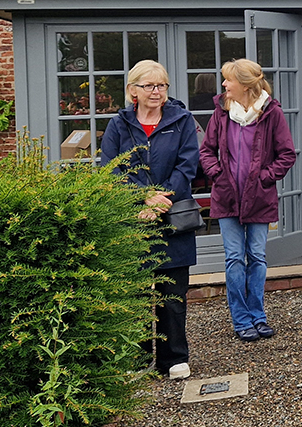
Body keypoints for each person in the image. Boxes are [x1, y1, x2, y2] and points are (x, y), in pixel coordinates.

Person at [99, 60, 200, 381]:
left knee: (172, 295)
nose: (156, 92)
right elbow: (111, 168)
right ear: (133, 91)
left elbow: (187, 167)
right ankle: (137, 358)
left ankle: (174, 359)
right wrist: (143, 197)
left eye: (162, 86)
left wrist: (160, 198)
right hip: (134, 218)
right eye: (149, 86)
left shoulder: (182, 121)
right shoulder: (118, 125)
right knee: (137, 294)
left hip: (173, 220)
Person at [199, 58, 297, 342]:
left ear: (244, 84)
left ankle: (258, 316)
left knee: (256, 257)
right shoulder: (220, 111)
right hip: (227, 198)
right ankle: (241, 320)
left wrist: (265, 178)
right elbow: (206, 150)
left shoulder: (271, 113)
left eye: (228, 80)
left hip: (259, 198)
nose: (224, 85)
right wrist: (217, 174)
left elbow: (287, 154)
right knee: (234, 259)